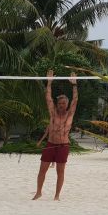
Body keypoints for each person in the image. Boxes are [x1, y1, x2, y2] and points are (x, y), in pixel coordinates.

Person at [33, 70, 78, 201]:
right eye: (59, 103)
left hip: (63, 145)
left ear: (67, 104)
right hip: (51, 144)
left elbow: (75, 100)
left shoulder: (69, 114)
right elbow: (48, 98)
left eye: (63, 103)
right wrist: (49, 83)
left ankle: (57, 195)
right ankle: (38, 192)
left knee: (60, 171)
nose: (61, 105)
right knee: (42, 169)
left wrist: (74, 85)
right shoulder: (53, 113)